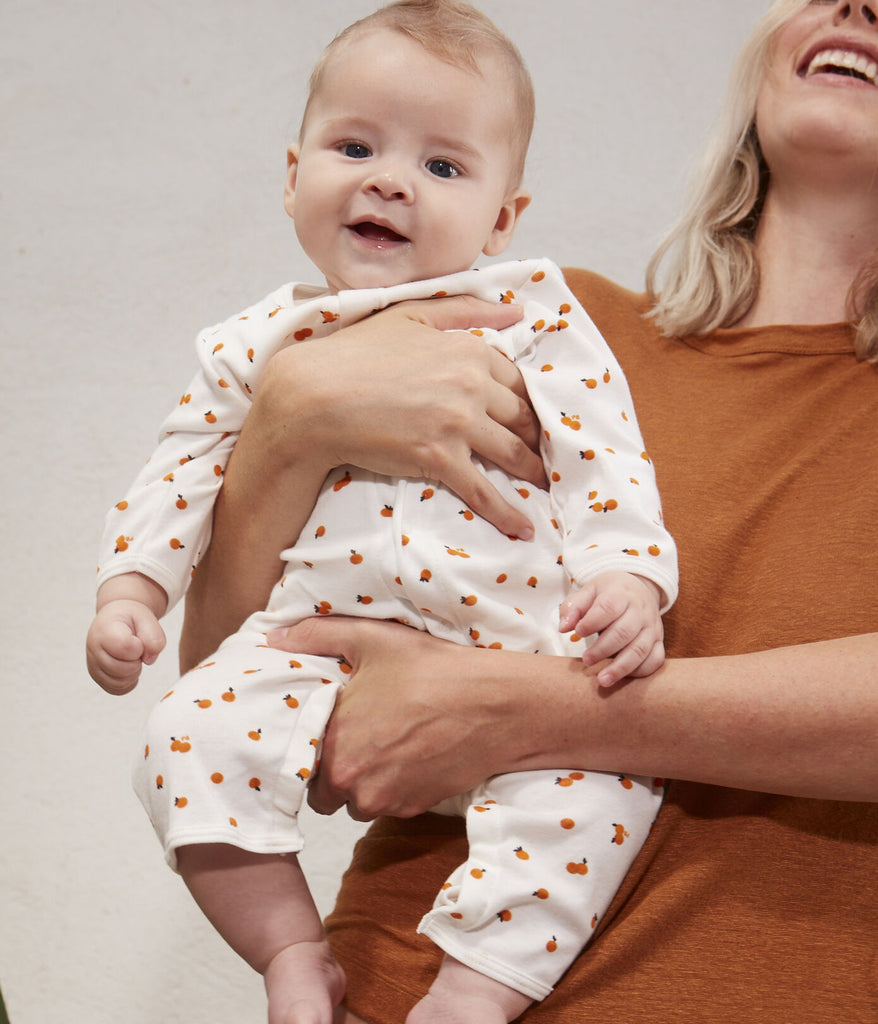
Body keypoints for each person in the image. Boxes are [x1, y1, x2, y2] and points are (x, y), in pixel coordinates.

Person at [177, 0, 878, 1021]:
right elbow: (228, 663)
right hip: (396, 991)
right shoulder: (535, 324)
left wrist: (520, 707)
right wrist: (288, 420)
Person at [86, 2, 679, 1022]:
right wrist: (131, 587)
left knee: (605, 786)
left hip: (521, 656)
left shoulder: (533, 313)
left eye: (442, 166)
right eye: (355, 146)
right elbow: (182, 464)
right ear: (292, 175)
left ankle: (474, 989)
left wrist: (628, 576)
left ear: (501, 219)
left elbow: (605, 453)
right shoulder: (261, 341)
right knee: (182, 737)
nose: (391, 180)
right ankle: (289, 949)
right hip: (319, 653)